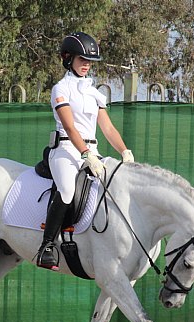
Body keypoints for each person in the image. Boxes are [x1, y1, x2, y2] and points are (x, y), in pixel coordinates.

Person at [36, 31, 135, 271]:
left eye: (89, 62)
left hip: (93, 151)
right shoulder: (61, 88)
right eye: (82, 60)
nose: (86, 65)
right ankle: (47, 246)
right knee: (68, 190)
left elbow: (108, 128)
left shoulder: (93, 92)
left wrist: (125, 151)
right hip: (67, 150)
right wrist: (85, 154)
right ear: (68, 58)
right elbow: (69, 126)